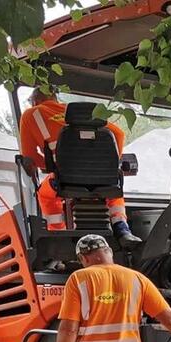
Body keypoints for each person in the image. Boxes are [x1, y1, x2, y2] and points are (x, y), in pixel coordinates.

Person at [19, 87, 139, 244]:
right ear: (55, 99)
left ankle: (58, 235)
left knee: (45, 194)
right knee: (113, 189)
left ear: (34, 101)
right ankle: (122, 228)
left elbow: (30, 158)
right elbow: (119, 134)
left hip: (65, 180)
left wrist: (54, 166)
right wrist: (110, 164)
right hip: (103, 178)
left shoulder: (31, 115)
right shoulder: (77, 116)